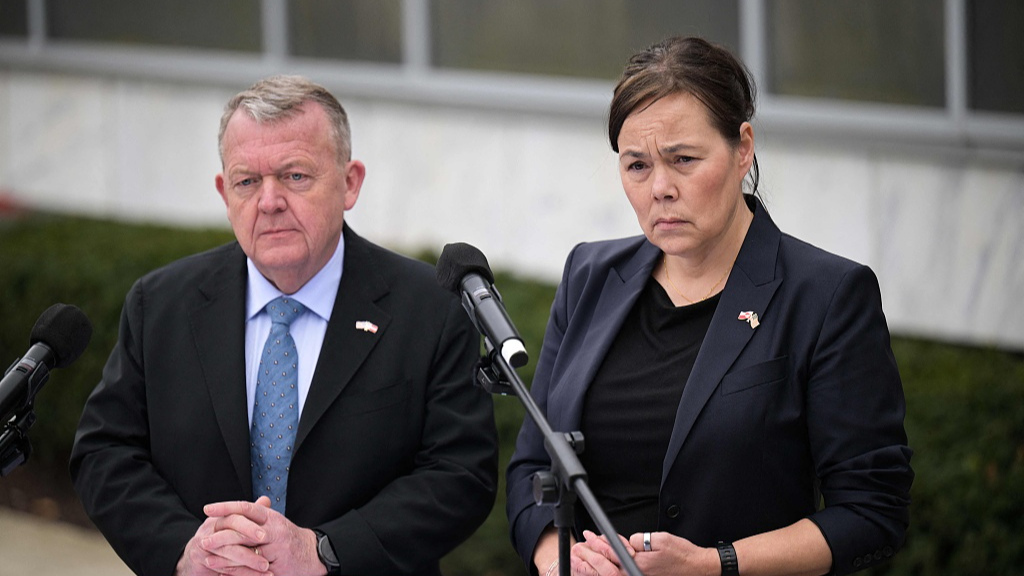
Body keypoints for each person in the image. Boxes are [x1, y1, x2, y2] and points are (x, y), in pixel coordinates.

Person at [506, 37, 913, 576]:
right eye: (637, 166)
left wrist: (715, 564)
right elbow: (533, 466)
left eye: (684, 160)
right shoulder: (590, 275)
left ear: (743, 148)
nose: (661, 189)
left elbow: (872, 510)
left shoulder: (827, 295)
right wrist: (559, 561)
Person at [70, 75, 498, 576]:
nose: (269, 201)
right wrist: (182, 551)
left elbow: (460, 473)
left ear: (350, 182)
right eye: (247, 181)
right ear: (223, 191)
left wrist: (323, 550)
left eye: (295, 176)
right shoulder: (160, 304)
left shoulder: (430, 307)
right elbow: (105, 450)